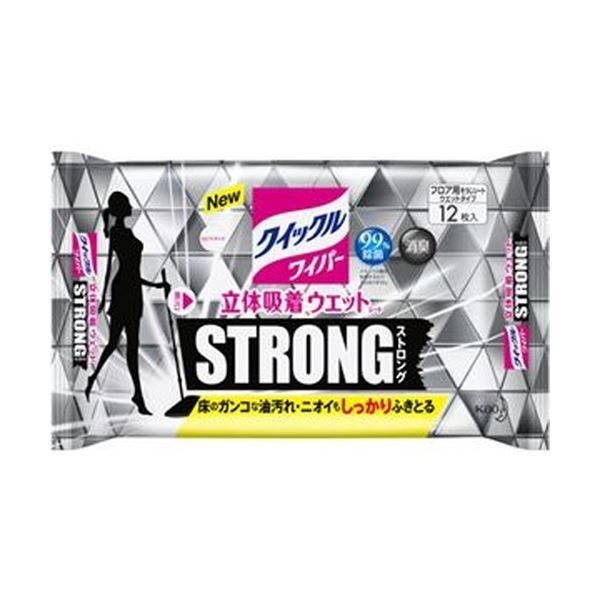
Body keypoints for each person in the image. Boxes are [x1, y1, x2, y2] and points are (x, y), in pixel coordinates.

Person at [85, 191, 170, 415]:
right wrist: (103, 298)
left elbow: (131, 271)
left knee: (128, 345)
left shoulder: (125, 232)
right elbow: (111, 271)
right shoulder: (116, 233)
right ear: (121, 209)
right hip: (124, 290)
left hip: (132, 291)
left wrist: (156, 285)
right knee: (117, 342)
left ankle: (132, 394)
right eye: (128, 204)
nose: (132, 206)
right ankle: (135, 395)